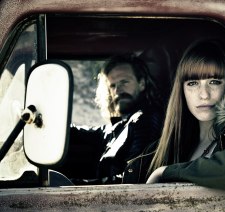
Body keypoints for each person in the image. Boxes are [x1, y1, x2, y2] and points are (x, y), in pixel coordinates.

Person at [123, 40, 225, 197]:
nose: (204, 95)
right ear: (182, 90)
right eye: (193, 83)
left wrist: (166, 172)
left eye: (214, 82)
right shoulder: (166, 146)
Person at [57, 54, 164, 184]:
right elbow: (80, 133)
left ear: (141, 84)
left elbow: (135, 177)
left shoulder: (145, 120)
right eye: (113, 86)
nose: (118, 90)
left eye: (124, 82)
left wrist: (77, 185)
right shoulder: (118, 127)